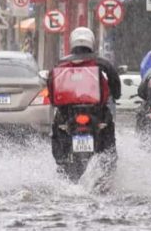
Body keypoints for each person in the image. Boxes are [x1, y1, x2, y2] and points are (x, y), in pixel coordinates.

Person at [49, 27, 122, 164]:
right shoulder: (101, 62)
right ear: (91, 42)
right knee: (107, 133)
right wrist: (116, 94)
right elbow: (114, 79)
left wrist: (55, 102)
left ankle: (62, 160)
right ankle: (107, 162)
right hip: (97, 112)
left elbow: (51, 83)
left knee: (58, 130)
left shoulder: (61, 64)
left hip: (68, 113)